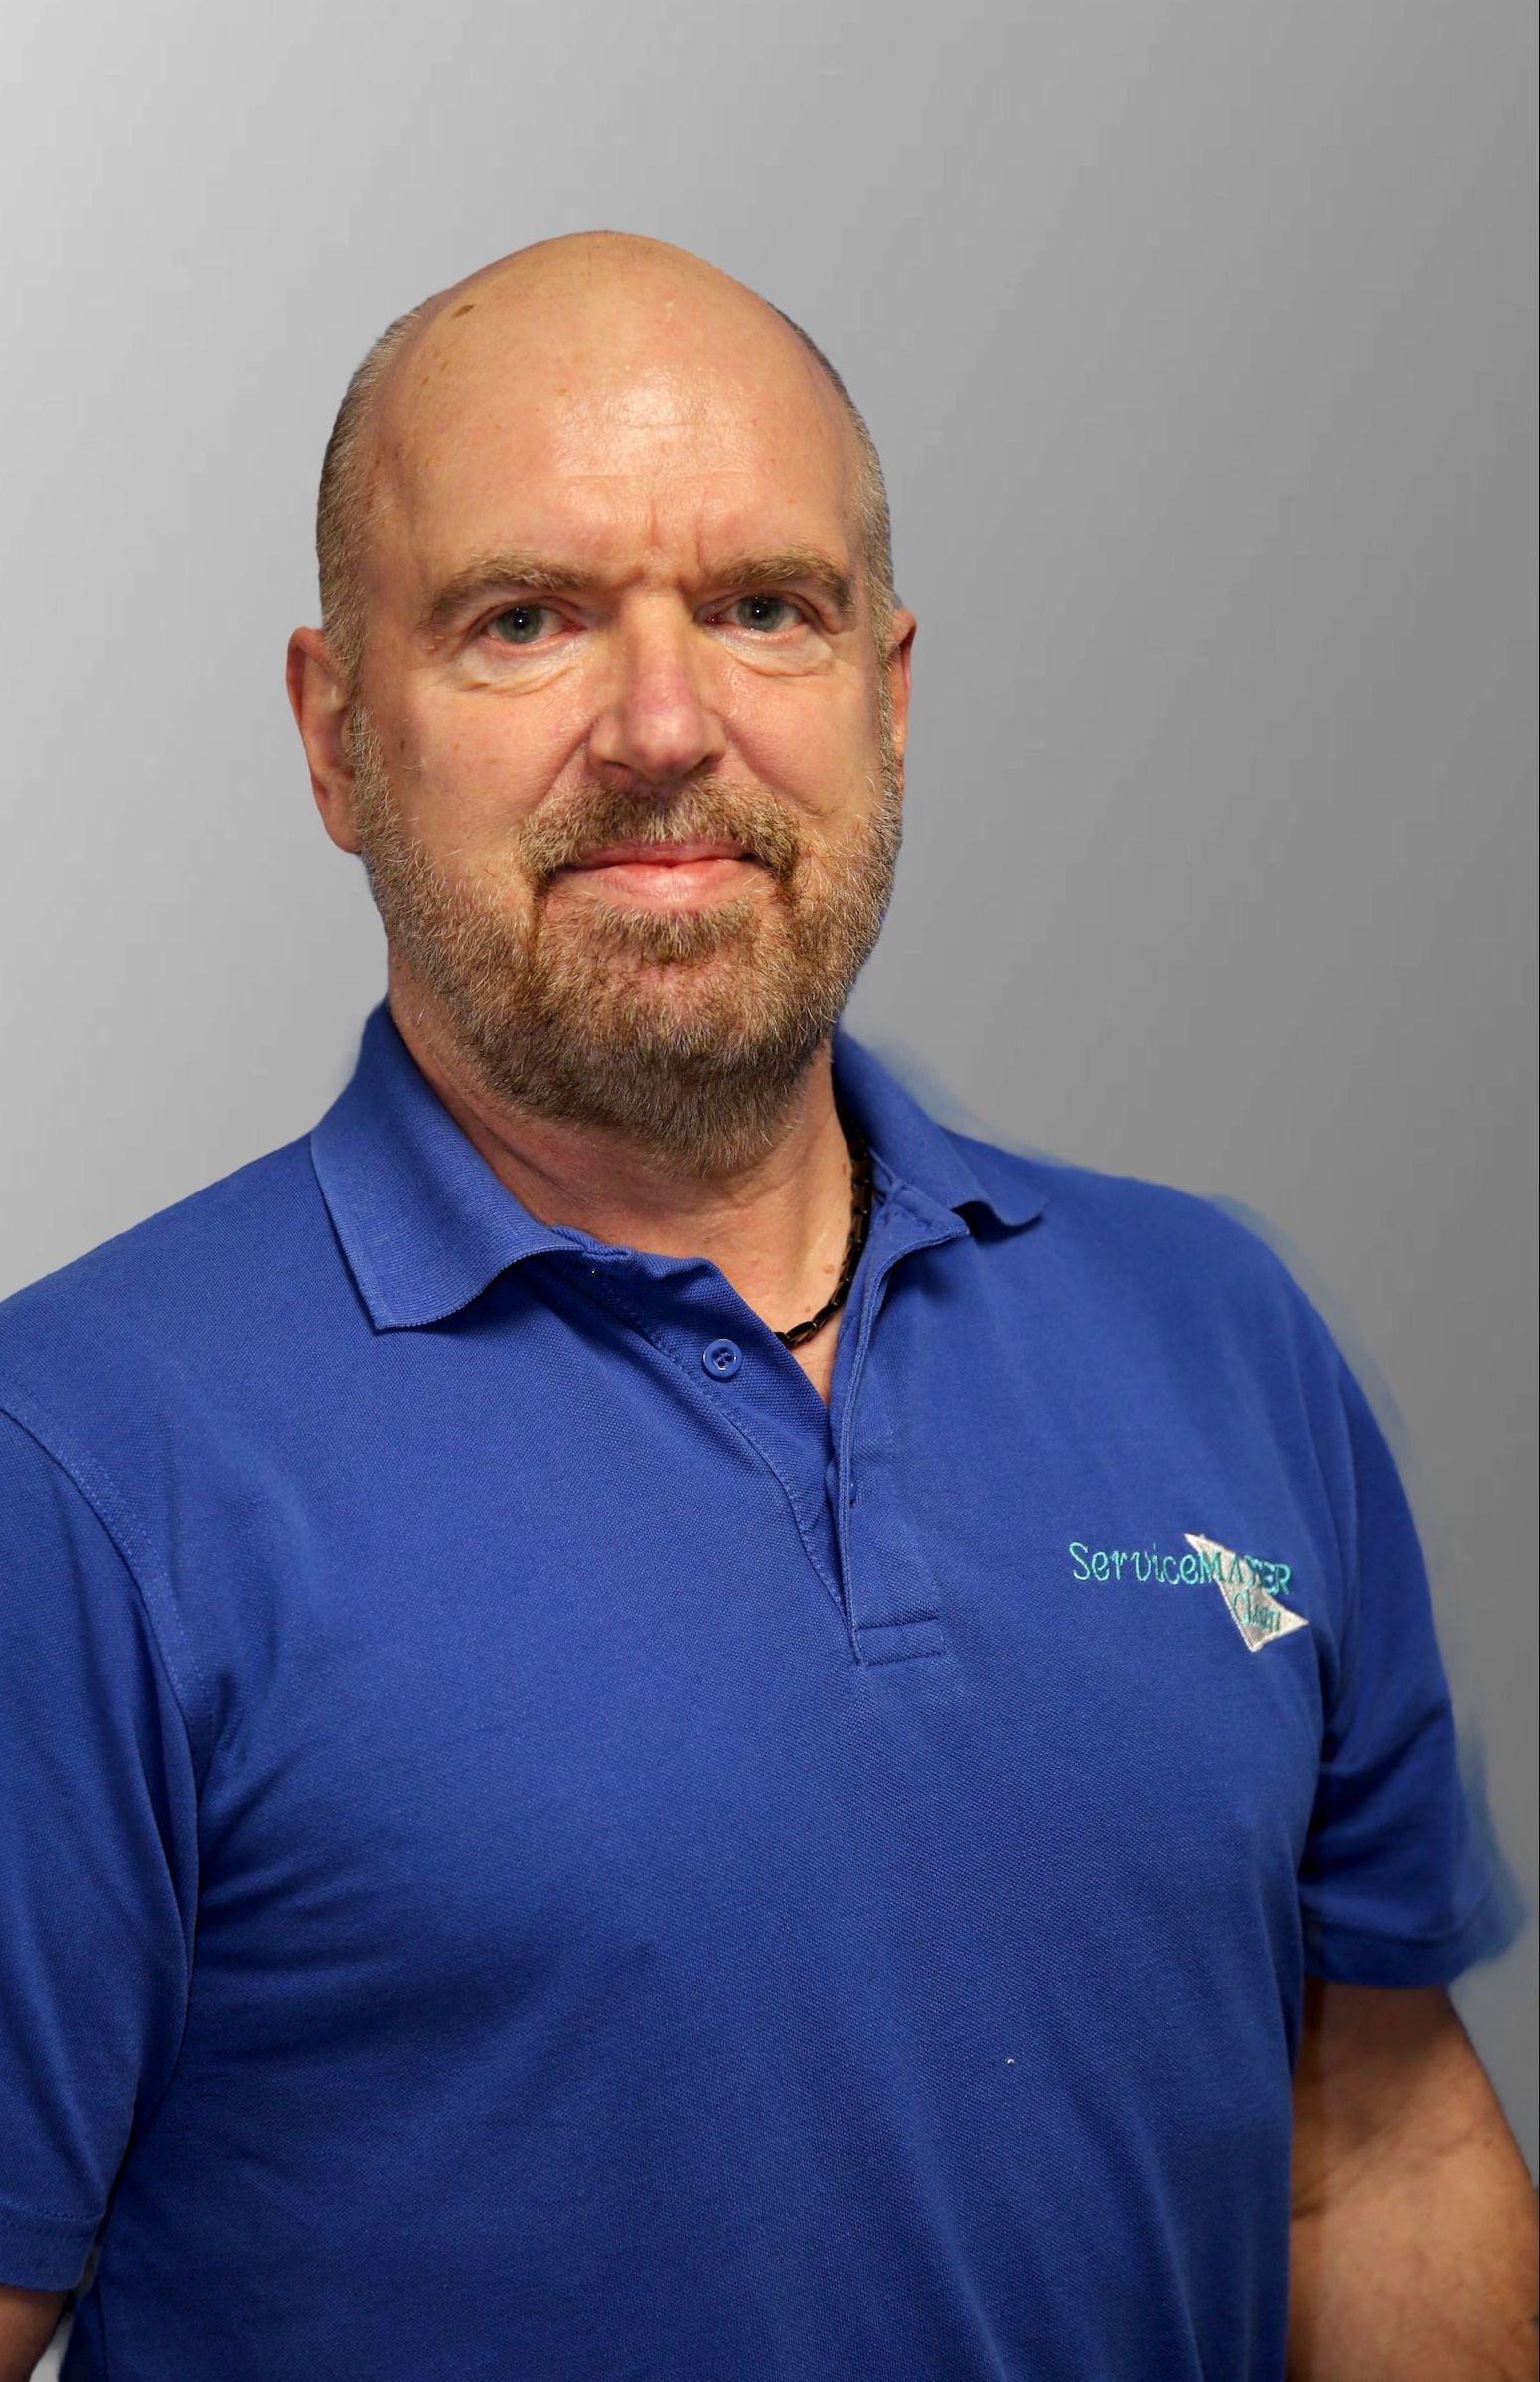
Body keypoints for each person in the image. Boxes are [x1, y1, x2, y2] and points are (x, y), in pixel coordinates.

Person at [0, 231, 1532, 2382]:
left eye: (762, 610)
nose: (662, 725)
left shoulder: (1218, 1331)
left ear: (885, 698)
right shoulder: (72, 1469)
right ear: (338, 734)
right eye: (521, 619)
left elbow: (1365, 2140)